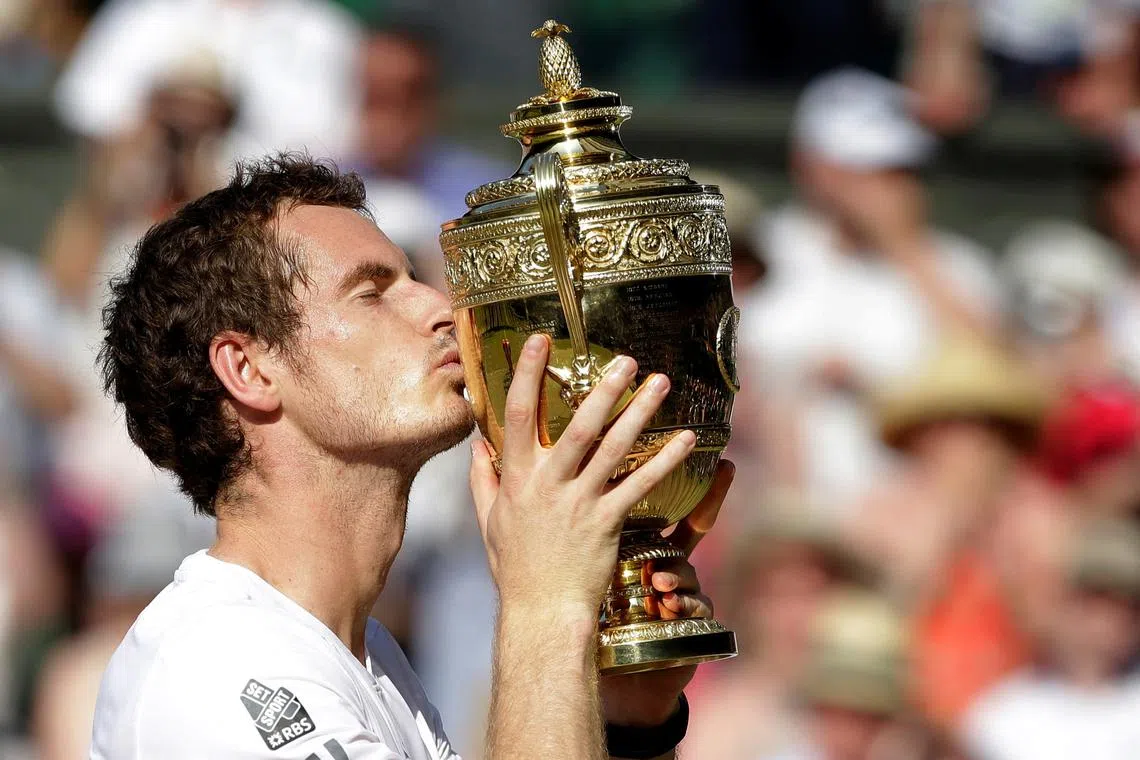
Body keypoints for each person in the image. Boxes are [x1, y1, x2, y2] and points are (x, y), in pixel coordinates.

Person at [90, 153, 727, 760]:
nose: (442, 309)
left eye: (415, 279)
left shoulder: (367, 658)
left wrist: (627, 725)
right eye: (372, 292)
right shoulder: (220, 672)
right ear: (250, 369)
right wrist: (546, 608)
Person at [740, 66, 1002, 511]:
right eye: (864, 168)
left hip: (914, 502)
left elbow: (998, 378)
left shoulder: (953, 264)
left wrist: (905, 248)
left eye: (898, 170)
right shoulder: (761, 251)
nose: (883, 186)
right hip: (776, 495)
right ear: (811, 165)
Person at [848, 335, 1054, 732]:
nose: (977, 442)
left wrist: (1000, 542)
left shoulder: (1039, 513)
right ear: (924, 434)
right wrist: (952, 521)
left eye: (990, 425)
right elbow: (880, 621)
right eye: (958, 424)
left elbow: (1053, 634)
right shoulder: (879, 512)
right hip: (904, 719)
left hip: (1017, 722)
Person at [962, 517, 1140, 760]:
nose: (1110, 619)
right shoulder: (1002, 717)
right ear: (1061, 602)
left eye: (1128, 602)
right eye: (1095, 598)